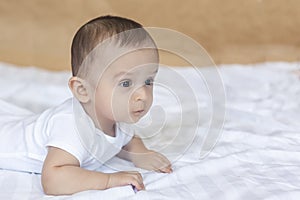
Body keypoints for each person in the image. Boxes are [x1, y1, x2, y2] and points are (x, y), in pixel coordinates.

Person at [0, 15, 172, 195]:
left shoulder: (117, 118)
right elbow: (53, 179)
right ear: (83, 90)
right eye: (126, 83)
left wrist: (141, 154)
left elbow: (127, 141)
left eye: (148, 81)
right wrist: (109, 180)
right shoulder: (71, 126)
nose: (143, 95)